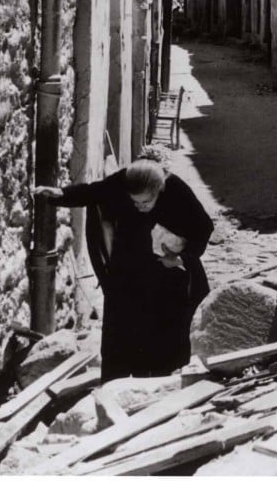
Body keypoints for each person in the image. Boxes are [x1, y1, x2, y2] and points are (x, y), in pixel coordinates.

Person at [34, 158, 213, 382]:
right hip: (128, 268)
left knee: (163, 333)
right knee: (120, 332)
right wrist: (62, 194)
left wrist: (180, 258)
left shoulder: (177, 191)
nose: (140, 207)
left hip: (166, 273)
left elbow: (205, 227)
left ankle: (160, 385)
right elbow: (95, 192)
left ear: (160, 189)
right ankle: (115, 387)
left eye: (146, 202)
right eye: (134, 202)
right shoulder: (124, 181)